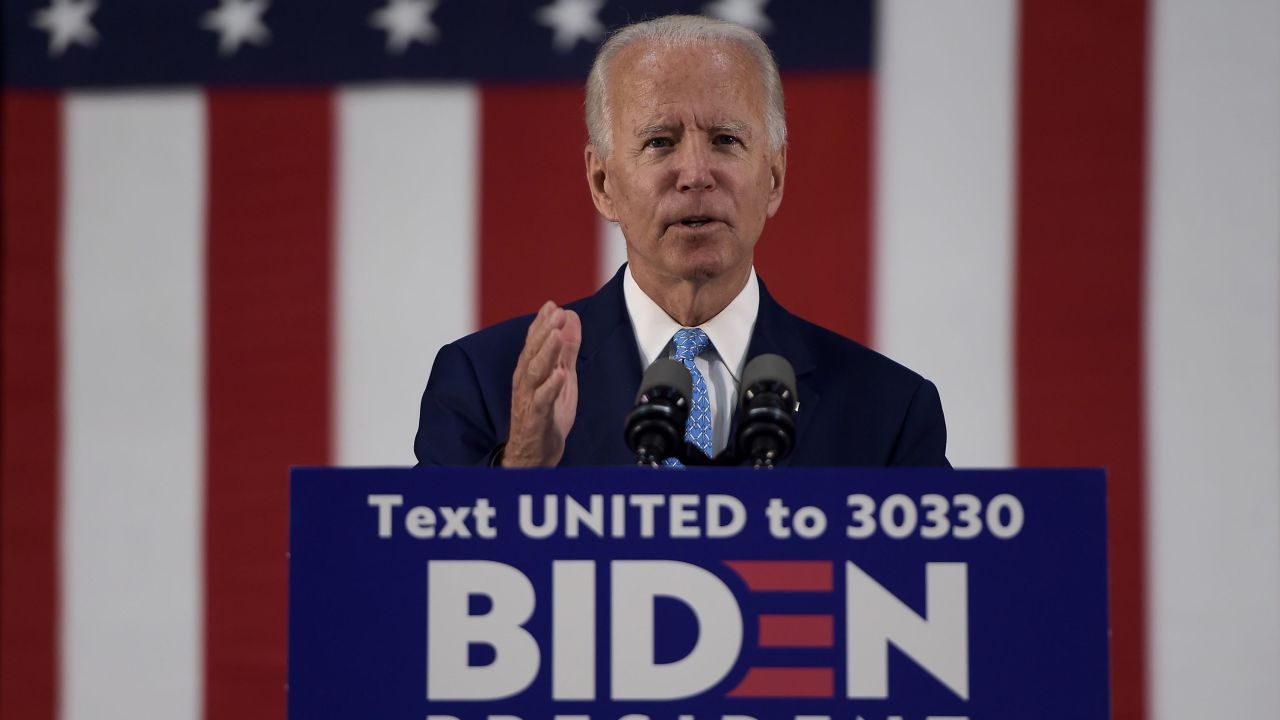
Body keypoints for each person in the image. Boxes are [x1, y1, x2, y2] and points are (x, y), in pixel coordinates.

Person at [415, 15, 949, 468]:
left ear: (775, 178)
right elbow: (423, 579)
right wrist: (522, 469)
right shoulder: (483, 385)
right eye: (659, 142)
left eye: (725, 139)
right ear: (603, 184)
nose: (695, 173)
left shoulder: (889, 412)